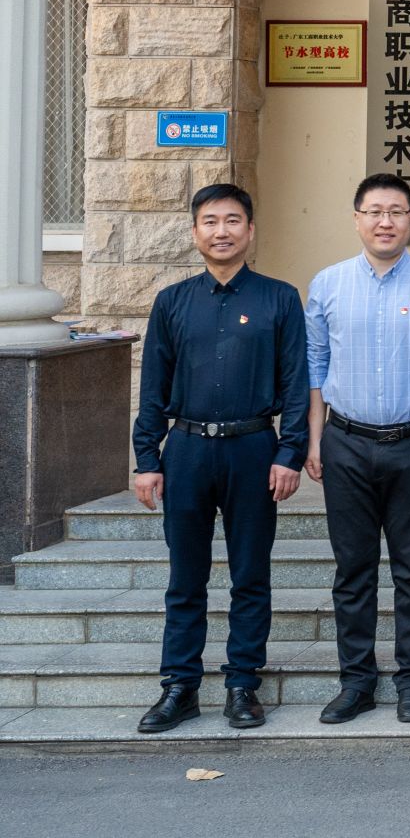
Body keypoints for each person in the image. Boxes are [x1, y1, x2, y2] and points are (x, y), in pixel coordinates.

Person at [131, 184, 309, 734]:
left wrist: (290, 453)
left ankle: (242, 685)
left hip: (253, 448)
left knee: (250, 574)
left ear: (250, 230)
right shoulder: (173, 302)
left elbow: (296, 384)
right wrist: (146, 458)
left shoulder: (279, 299)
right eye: (210, 221)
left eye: (233, 220)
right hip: (185, 450)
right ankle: (179, 686)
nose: (222, 231)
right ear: (195, 232)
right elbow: (153, 386)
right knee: (185, 577)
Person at [305, 173, 410, 725]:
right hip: (345, 443)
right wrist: (315, 438)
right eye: (374, 211)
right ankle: (357, 682)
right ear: (357, 219)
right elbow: (315, 365)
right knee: (353, 570)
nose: (385, 222)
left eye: (396, 211)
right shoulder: (327, 284)